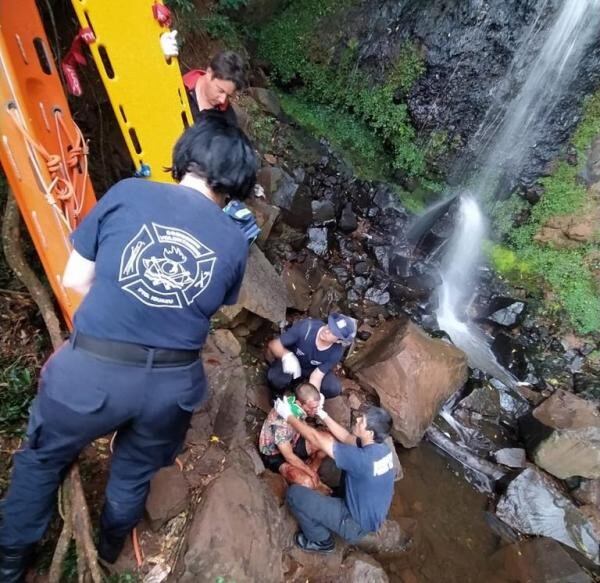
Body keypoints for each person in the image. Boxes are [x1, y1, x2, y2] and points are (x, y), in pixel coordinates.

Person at [0, 115, 257, 580]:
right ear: (238, 181)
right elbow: (206, 306)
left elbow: (74, 279)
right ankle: (109, 546)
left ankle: (11, 563)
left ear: (186, 157)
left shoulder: (128, 193)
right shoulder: (235, 243)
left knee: (42, 458)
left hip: (93, 373)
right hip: (171, 389)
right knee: (134, 472)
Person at [274, 396, 394, 554]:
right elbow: (345, 437)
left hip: (354, 524)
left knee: (294, 494)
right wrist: (322, 414)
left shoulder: (362, 459)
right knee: (348, 466)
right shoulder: (381, 448)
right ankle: (337, 502)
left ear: (370, 433)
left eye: (362, 421)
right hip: (369, 514)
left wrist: (287, 415)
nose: (357, 420)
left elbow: (315, 438)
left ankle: (321, 541)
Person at [259, 383, 331, 494]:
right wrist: (311, 475)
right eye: (312, 408)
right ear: (299, 403)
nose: (314, 411)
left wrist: (318, 410)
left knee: (328, 441)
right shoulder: (280, 422)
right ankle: (310, 476)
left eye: (316, 407)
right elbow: (289, 456)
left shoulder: (296, 403)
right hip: (277, 454)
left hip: (294, 439)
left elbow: (304, 424)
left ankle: (312, 468)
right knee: (307, 483)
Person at [160, 34, 243, 127]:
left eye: (228, 95)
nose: (223, 100)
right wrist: (159, 58)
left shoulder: (228, 119)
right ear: (209, 73)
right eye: (220, 91)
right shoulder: (179, 88)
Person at [267, 314, 356, 399]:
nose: (326, 331)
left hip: (310, 371)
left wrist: (315, 398)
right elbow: (274, 344)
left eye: (333, 332)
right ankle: (278, 394)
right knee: (276, 378)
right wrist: (286, 356)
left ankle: (301, 392)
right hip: (290, 362)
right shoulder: (306, 327)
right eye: (329, 326)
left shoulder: (336, 351)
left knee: (333, 388)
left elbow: (317, 376)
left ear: (338, 340)